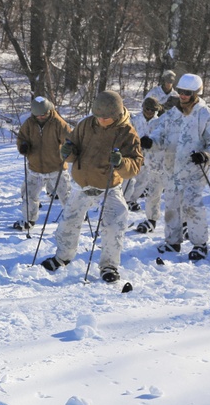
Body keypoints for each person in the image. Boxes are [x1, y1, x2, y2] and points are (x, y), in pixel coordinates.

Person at [41, 90, 142, 283]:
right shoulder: (86, 124)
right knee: (68, 222)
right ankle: (62, 257)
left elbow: (135, 167)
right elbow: (72, 148)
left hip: (108, 187)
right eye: (99, 116)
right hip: (81, 184)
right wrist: (67, 152)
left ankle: (109, 266)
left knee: (114, 224)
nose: (102, 120)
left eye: (106, 118)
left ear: (117, 114)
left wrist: (121, 163)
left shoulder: (127, 132)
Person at [146, 73, 210, 261]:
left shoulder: (206, 116)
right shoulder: (172, 114)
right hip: (172, 169)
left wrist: (206, 155)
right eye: (181, 91)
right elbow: (160, 135)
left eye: (188, 93)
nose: (183, 96)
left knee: (192, 206)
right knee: (171, 205)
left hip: (194, 171)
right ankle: (172, 241)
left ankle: (199, 244)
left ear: (197, 92)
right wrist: (151, 142)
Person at [14, 96, 74, 230]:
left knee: (66, 195)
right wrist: (23, 146)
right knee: (29, 196)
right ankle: (29, 220)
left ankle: (72, 220)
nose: (40, 117)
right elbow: (22, 138)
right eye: (37, 115)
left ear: (49, 110)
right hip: (35, 168)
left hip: (56, 167)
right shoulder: (29, 123)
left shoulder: (58, 122)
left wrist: (68, 149)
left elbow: (69, 140)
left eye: (43, 114)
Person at [127, 97, 165, 233]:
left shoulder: (159, 122)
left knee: (144, 181)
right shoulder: (135, 120)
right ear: (143, 108)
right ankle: (125, 200)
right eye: (147, 109)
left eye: (153, 110)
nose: (150, 112)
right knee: (129, 179)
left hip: (152, 158)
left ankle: (133, 200)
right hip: (135, 154)